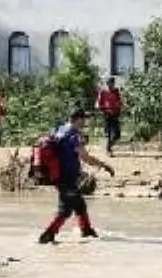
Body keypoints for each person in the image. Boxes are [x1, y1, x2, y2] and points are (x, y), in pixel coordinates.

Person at [38, 108, 115, 244]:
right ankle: (48, 234)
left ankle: (87, 231)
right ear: (78, 119)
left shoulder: (60, 129)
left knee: (79, 205)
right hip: (66, 176)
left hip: (59, 175)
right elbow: (85, 157)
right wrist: (104, 165)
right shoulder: (73, 135)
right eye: (84, 119)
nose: (85, 121)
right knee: (65, 209)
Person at [95, 77, 124, 156]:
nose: (110, 85)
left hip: (115, 114)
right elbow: (98, 103)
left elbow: (120, 102)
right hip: (107, 114)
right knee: (108, 133)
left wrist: (121, 106)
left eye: (111, 83)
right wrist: (99, 107)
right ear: (106, 84)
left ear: (113, 84)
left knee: (117, 135)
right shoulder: (103, 92)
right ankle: (108, 149)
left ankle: (108, 147)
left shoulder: (116, 91)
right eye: (108, 83)